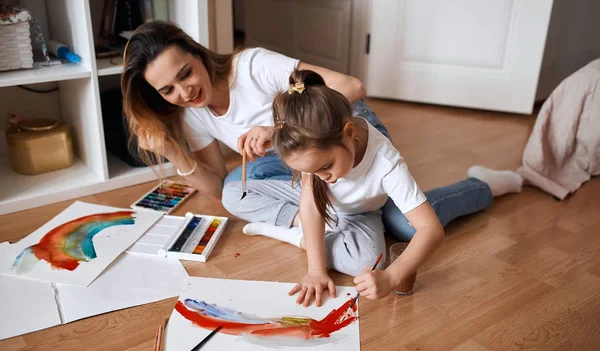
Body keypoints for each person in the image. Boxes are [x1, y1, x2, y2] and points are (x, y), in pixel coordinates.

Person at [221, 70, 524, 307]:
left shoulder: (385, 162)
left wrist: (392, 275)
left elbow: (431, 230)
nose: (322, 178)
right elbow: (311, 205)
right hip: (333, 204)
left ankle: (483, 184)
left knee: (390, 239)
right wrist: (316, 270)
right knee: (234, 192)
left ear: (349, 134)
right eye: (309, 172)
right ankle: (299, 234)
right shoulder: (312, 154)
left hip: (363, 208)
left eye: (326, 167)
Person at [121, 20, 377, 201]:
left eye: (186, 74)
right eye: (168, 90)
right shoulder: (192, 113)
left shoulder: (251, 66)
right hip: (304, 158)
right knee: (234, 188)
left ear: (198, 55)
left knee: (397, 221)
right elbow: (219, 188)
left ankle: (352, 202)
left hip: (345, 130)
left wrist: (277, 128)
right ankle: (321, 211)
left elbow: (351, 86)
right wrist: (174, 153)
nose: (185, 93)